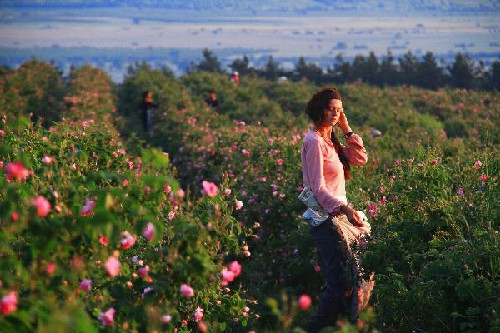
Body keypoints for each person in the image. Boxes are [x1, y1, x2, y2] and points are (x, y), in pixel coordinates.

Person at [300, 88, 369, 332]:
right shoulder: (313, 141)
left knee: (350, 282)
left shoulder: (331, 141)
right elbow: (318, 188)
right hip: (326, 219)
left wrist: (346, 129)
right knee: (338, 283)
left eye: (339, 110)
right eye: (331, 109)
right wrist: (344, 208)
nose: (335, 113)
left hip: (338, 218)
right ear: (320, 110)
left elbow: (360, 160)